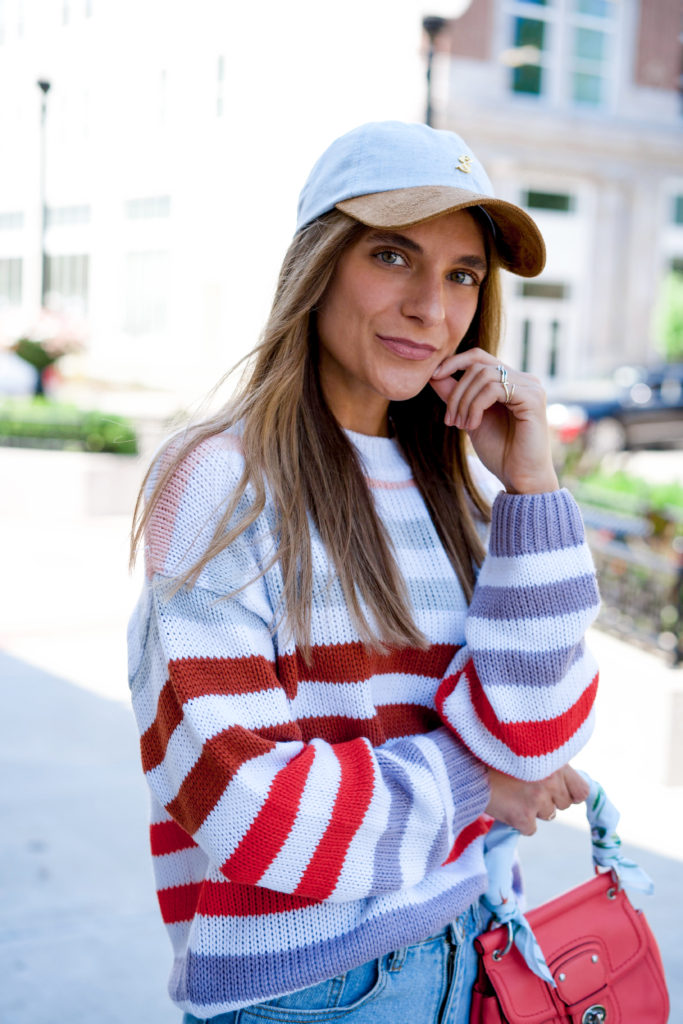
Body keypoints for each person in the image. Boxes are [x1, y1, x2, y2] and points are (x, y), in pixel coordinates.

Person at [128, 121, 600, 1024]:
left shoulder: (458, 494)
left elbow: (536, 741)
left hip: (468, 951)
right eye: (394, 255)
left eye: (463, 274)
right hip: (309, 991)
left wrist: (533, 488)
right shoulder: (221, 481)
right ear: (320, 265)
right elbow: (242, 803)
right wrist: (475, 786)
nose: (433, 306)